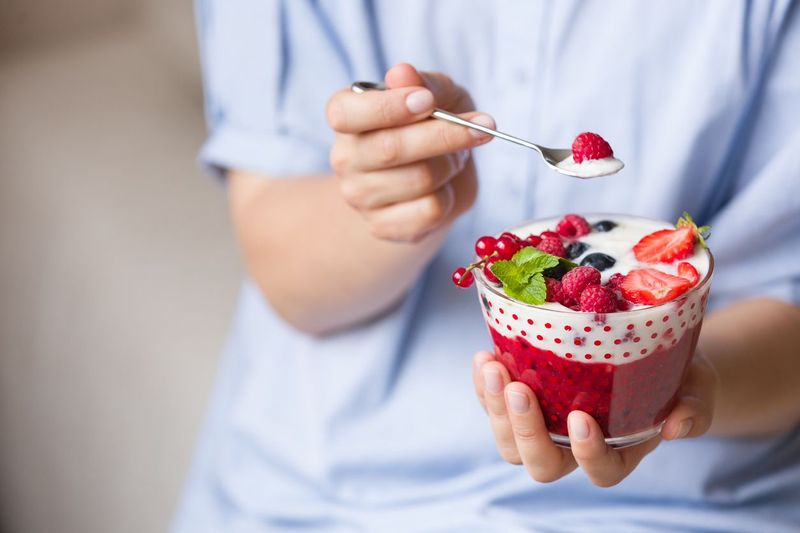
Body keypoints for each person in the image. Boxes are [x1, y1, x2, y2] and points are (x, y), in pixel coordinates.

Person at [173, 1, 800, 531]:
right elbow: (289, 275)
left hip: (677, 508)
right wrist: (399, 195)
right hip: (340, 493)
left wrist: (678, 380)